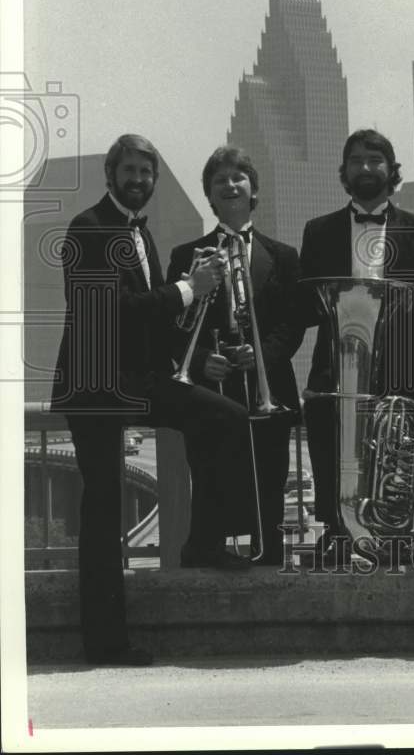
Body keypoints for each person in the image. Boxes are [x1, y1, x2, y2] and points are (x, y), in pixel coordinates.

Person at [51, 134, 250, 667]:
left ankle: (203, 544)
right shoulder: (87, 230)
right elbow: (115, 311)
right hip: (94, 386)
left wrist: (196, 357)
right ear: (110, 175)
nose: (138, 180)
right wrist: (191, 288)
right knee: (103, 511)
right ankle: (105, 643)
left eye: (146, 173)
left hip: (136, 381)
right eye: (130, 170)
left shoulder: (142, 236)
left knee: (227, 419)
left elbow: (150, 321)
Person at [299, 129, 414, 561]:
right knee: (333, 463)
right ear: (344, 172)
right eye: (355, 160)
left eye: (375, 159)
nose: (365, 167)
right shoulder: (319, 231)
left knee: (395, 478)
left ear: (391, 171)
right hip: (336, 373)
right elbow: (303, 307)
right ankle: (336, 535)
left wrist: (392, 300)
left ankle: (397, 544)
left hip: (401, 375)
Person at [166, 146, 303, 567]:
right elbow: (172, 326)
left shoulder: (282, 255)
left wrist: (261, 356)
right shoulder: (185, 255)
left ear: (253, 190)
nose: (229, 185)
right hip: (211, 388)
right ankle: (209, 561)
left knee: (270, 483)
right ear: (209, 194)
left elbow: (293, 325)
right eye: (219, 179)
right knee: (211, 479)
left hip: (268, 388)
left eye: (238, 177)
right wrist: (202, 357)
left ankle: (271, 561)